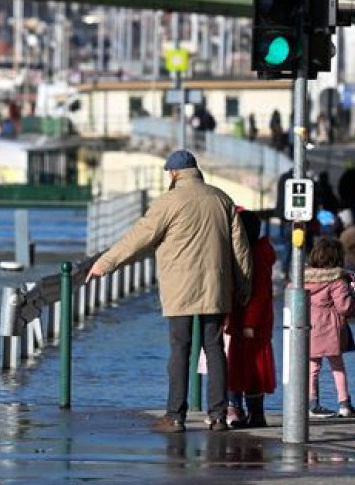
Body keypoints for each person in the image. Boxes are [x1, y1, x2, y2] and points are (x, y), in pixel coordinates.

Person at [88, 149, 252, 433]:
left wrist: (105, 263)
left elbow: (138, 237)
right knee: (214, 350)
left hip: (180, 289)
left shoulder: (168, 202)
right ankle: (218, 415)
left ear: (174, 173)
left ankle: (175, 416)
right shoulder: (221, 199)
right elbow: (241, 250)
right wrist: (243, 287)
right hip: (216, 286)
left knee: (180, 350)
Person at [225, 209, 276, 429]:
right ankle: (254, 414)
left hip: (249, 324)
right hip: (252, 322)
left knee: (250, 369)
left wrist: (248, 323)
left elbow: (258, 293)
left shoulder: (253, 256)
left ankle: (255, 416)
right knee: (251, 369)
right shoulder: (261, 252)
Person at [302, 238, 355, 418]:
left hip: (309, 327)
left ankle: (312, 403)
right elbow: (344, 307)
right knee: (337, 366)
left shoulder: (304, 278)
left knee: (312, 367)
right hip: (330, 328)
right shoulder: (337, 281)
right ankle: (344, 404)